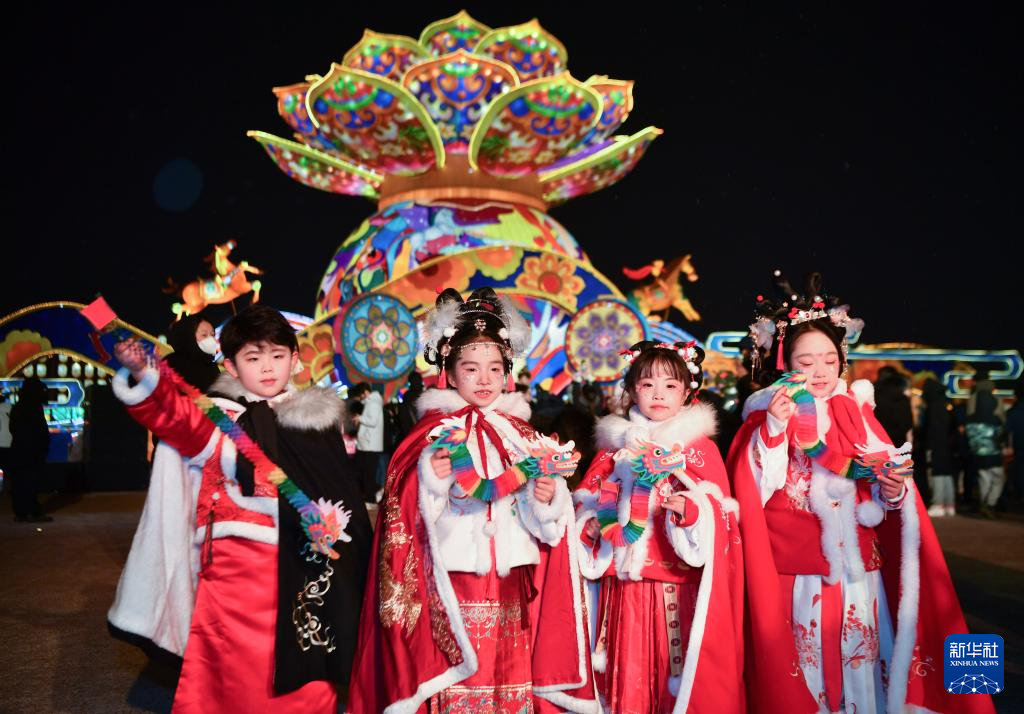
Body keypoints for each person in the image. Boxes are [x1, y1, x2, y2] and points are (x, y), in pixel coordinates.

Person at [728, 271, 993, 714]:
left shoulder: (858, 411)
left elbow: (886, 491)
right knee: (806, 670)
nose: (819, 371)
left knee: (863, 667)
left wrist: (893, 491)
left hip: (858, 568)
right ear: (785, 362)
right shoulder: (766, 416)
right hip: (797, 569)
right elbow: (755, 490)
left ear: (842, 360)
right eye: (806, 362)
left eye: (829, 360)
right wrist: (774, 427)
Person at [112, 304, 372, 713]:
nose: (267, 367)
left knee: (306, 668)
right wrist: (145, 375)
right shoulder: (217, 418)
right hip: (234, 569)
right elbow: (172, 418)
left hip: (304, 563)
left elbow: (342, 494)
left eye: (277, 355)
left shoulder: (319, 421)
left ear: (295, 360)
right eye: (253, 358)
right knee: (229, 673)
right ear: (231, 367)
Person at [348, 287, 597, 713]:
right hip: (454, 585)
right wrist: (430, 480)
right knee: (460, 682)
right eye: (471, 368)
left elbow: (546, 525)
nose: (484, 380)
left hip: (513, 584)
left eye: (494, 368)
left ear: (507, 372)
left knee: (508, 682)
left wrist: (548, 499)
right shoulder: (432, 436)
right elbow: (405, 516)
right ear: (448, 372)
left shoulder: (523, 436)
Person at [572, 340, 744, 713]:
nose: (658, 394)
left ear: (687, 391)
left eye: (670, 385)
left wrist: (693, 511)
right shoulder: (613, 448)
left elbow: (721, 511)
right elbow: (586, 500)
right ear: (631, 389)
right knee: (625, 676)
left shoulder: (697, 448)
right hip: (622, 588)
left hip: (674, 585)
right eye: (647, 384)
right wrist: (590, 526)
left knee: (672, 677)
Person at [108, 313, 222, 654]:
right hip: (178, 459)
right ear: (188, 336)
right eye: (203, 333)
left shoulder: (219, 373)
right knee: (175, 532)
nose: (210, 339)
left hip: (214, 462)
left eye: (211, 333)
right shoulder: (169, 368)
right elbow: (157, 407)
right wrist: (142, 372)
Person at [7, 377, 52, 522]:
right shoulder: (34, 407)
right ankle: (33, 511)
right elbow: (39, 430)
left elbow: (13, 428)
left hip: (19, 449)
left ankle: (21, 512)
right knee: (31, 481)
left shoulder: (18, 406)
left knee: (20, 482)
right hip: (32, 451)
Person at [965, 378, 1006, 518]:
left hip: (977, 452)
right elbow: (1001, 434)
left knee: (984, 479)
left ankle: (984, 504)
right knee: (998, 479)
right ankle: (990, 504)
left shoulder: (970, 418)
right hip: (994, 453)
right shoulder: (996, 419)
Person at [921, 377, 958, 516]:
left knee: (936, 473)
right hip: (947, 446)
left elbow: (931, 429)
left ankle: (938, 503)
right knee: (946, 473)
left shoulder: (933, 406)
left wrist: (927, 444)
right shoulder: (946, 403)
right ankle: (949, 504)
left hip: (936, 445)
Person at [350, 382, 383, 504]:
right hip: (367, 444)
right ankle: (373, 494)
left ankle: (371, 499)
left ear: (364, 392)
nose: (360, 398)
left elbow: (372, 421)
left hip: (370, 445)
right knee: (363, 472)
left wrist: (359, 418)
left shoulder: (373, 403)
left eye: (360, 395)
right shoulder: (372, 402)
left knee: (367, 474)